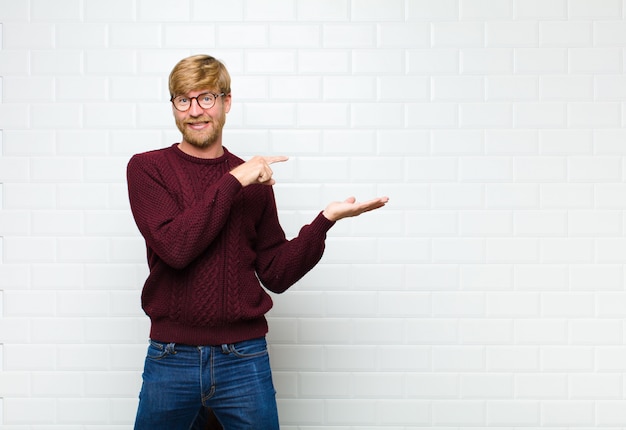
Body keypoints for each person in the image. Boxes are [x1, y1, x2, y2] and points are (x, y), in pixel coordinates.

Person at [126, 54, 389, 430]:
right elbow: (176, 248)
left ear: (226, 102)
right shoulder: (147, 169)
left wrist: (324, 222)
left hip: (243, 358)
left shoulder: (254, 184)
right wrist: (235, 180)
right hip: (171, 359)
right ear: (173, 107)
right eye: (183, 99)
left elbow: (275, 274)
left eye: (206, 98)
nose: (195, 110)